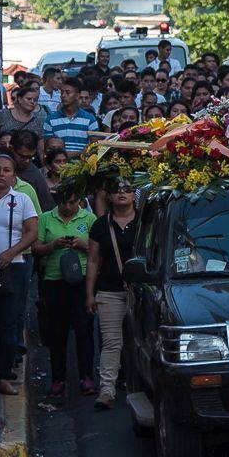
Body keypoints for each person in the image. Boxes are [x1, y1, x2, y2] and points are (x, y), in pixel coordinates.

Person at [32, 185, 96, 400]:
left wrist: (83, 245)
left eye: (72, 203)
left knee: (84, 330)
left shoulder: (89, 219)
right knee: (57, 332)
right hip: (54, 281)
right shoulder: (46, 219)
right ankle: (58, 379)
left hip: (82, 280)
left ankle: (86, 376)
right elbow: (36, 248)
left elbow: (98, 250)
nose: (68, 207)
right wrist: (53, 245)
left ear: (79, 201)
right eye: (64, 203)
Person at [85, 182, 139, 410]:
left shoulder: (146, 221)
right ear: (109, 196)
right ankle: (107, 390)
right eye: (116, 190)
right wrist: (90, 294)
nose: (121, 193)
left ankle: (142, 387)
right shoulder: (99, 225)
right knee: (111, 342)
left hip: (140, 291)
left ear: (134, 195)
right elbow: (93, 260)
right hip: (109, 291)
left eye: (127, 189)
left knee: (142, 341)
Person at [0, 154, 40, 396]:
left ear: (14, 175)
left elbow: (32, 232)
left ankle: (3, 375)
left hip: (15, 266)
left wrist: (11, 253)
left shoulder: (21, 199)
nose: (1, 173)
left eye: (6, 170)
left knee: (9, 322)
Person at [47, 80, 100, 155]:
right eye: (62, 92)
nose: (63, 95)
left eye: (68, 92)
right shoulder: (50, 119)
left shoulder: (90, 120)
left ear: (77, 96)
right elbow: (47, 148)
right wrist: (80, 153)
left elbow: (95, 148)